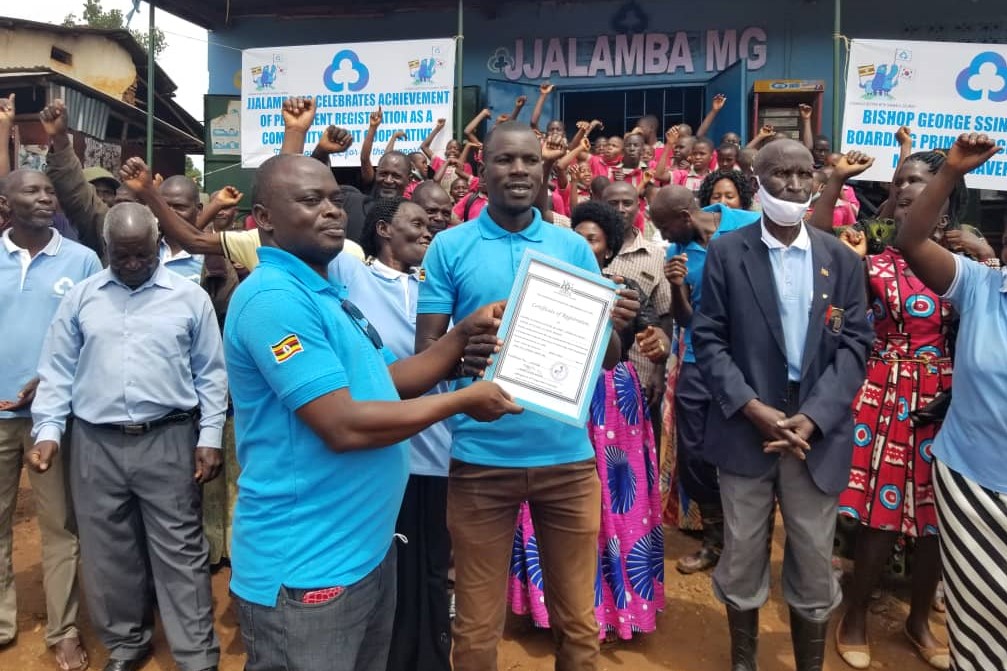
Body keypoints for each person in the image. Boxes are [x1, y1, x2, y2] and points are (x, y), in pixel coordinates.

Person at [220, 154, 520, 671]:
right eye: (311, 201)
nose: (332, 211)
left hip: (365, 551)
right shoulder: (273, 299)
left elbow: (390, 381)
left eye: (336, 200)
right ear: (263, 217)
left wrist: (462, 334)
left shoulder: (332, 294)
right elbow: (342, 425)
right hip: (308, 566)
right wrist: (462, 400)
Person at [415, 121, 639, 671]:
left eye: (529, 161)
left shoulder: (570, 246)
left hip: (566, 460)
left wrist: (618, 324)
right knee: (474, 629)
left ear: (543, 170)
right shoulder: (449, 246)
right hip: (480, 462)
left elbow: (606, 356)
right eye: (504, 160)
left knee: (578, 626)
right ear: (483, 169)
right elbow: (427, 354)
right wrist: (463, 343)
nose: (518, 170)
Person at [692, 139, 873, 671]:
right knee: (744, 549)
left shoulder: (839, 257)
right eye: (780, 176)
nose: (793, 187)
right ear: (757, 178)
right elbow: (710, 338)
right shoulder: (729, 251)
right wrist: (750, 405)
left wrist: (815, 416)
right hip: (748, 424)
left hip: (813, 430)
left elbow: (855, 343)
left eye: (802, 175)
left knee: (815, 554)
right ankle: (744, 663)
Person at [28, 202, 227, 671]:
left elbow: (211, 375)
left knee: (180, 551)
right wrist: (49, 431)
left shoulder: (188, 297)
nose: (134, 265)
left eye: (143, 255)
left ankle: (196, 654)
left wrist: (211, 435)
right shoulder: (81, 298)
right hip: (95, 444)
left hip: (169, 439)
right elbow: (56, 372)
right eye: (123, 257)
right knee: (107, 553)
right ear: (107, 249)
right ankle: (127, 643)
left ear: (157, 244)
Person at [509, 200, 666, 640]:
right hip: (556, 397)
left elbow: (656, 329)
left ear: (608, 247)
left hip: (613, 402)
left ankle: (619, 611)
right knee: (558, 500)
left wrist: (658, 343)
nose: (581, 244)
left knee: (616, 503)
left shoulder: (625, 287)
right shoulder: (546, 281)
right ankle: (549, 610)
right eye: (575, 235)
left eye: (591, 238)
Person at [833, 149, 960, 671]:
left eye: (918, 184)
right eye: (901, 184)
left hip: (948, 399)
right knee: (879, 517)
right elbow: (840, 326)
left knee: (935, 519)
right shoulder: (871, 263)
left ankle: (917, 622)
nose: (906, 190)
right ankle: (856, 616)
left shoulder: (966, 267)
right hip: (885, 394)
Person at [324, 196, 454, 671]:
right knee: (388, 568)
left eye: (434, 224)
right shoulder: (352, 274)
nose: (429, 231)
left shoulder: (436, 289)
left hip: (437, 449)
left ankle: (433, 661)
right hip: (381, 455)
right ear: (382, 229)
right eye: (417, 223)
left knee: (434, 569)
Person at [894, 133, 1007, 671]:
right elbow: (911, 239)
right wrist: (952, 172)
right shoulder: (983, 288)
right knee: (980, 626)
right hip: (972, 486)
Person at [0, 170, 99, 671]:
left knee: (59, 526)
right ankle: (2, 623)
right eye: (31, 191)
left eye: (47, 190)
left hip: (53, 420)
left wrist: (54, 376)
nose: (44, 197)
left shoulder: (82, 260)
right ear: (5, 202)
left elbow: (96, 335)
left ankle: (62, 630)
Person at [650, 185, 761, 574]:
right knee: (694, 453)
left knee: (748, 449)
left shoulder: (749, 223)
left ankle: (745, 543)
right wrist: (677, 286)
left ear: (683, 216)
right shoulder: (676, 252)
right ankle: (716, 538)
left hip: (749, 361)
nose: (662, 237)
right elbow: (683, 319)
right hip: (698, 361)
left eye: (663, 227)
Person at [602, 181, 671, 403]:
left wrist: (659, 372)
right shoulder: (585, 246)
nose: (620, 209)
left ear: (638, 206)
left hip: (639, 374)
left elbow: (664, 316)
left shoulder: (656, 255)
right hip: (594, 374)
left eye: (627, 203)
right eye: (613, 203)